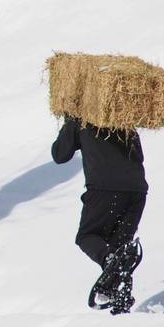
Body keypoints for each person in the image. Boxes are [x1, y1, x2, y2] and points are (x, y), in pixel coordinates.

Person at [51, 116, 147, 314]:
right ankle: (118, 297)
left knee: (87, 237)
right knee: (120, 250)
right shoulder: (123, 112)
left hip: (105, 189)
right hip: (137, 190)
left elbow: (60, 154)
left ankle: (110, 263)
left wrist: (70, 120)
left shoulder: (82, 117)